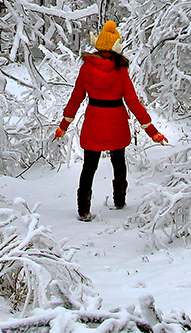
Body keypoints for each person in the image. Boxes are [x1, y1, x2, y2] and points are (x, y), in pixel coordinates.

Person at [54, 20, 166, 221]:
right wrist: (152, 131)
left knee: (89, 165)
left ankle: (83, 209)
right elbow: (133, 102)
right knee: (118, 160)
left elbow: (76, 98)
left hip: (94, 122)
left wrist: (64, 125)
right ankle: (120, 200)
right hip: (116, 123)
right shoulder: (120, 70)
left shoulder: (87, 69)